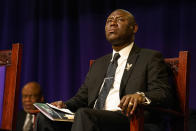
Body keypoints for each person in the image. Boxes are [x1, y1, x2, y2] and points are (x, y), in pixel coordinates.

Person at [35, 9, 174, 131]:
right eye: (109, 21)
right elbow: (82, 98)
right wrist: (63, 105)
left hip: (129, 119)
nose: (112, 23)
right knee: (45, 118)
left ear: (134, 28)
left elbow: (162, 93)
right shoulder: (99, 64)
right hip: (92, 118)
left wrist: (140, 96)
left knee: (85, 114)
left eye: (119, 19)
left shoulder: (149, 57)